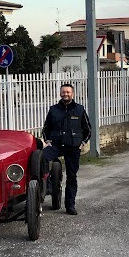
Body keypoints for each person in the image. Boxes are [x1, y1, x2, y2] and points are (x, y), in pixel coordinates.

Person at [42, 83, 91, 215]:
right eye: (63, 92)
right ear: (60, 94)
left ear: (72, 94)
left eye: (68, 92)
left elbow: (88, 130)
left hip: (73, 147)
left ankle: (70, 205)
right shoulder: (53, 110)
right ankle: (48, 185)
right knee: (42, 158)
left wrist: (82, 143)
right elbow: (46, 128)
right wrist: (47, 140)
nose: (66, 94)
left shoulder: (79, 109)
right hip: (56, 145)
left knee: (72, 177)